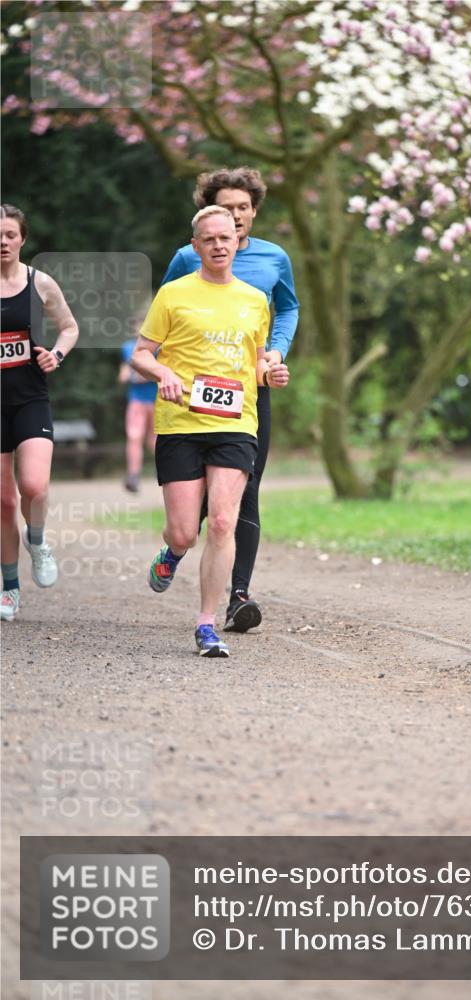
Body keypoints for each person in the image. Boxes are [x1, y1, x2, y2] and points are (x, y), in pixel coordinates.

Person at [131, 205, 289, 657]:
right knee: (184, 532)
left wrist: (271, 374)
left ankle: (206, 625)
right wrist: (163, 373)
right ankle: (173, 554)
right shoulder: (174, 294)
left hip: (236, 423)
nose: (219, 245)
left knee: (222, 521)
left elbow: (256, 364)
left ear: (238, 242)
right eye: (210, 239)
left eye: (227, 237)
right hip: (181, 423)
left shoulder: (256, 301)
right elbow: (141, 354)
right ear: (195, 246)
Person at [162, 166, 298, 634]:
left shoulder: (274, 258)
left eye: (244, 208)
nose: (236, 218)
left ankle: (238, 595)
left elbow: (288, 307)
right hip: (192, 396)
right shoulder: (186, 259)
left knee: (245, 492)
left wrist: (275, 352)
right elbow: (167, 315)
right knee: (197, 497)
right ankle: (178, 546)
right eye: (227, 208)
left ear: (255, 211)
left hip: (248, 390)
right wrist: (166, 372)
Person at [0, 204, 79, 621]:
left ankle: (38, 540)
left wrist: (57, 355)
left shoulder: (40, 281)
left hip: (31, 397)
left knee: (34, 487)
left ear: (22, 239)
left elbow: (69, 327)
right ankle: (10, 588)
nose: (2, 241)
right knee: (4, 502)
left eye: (9, 234)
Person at [118, 333, 157, 492]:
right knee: (134, 437)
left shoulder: (160, 347)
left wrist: (146, 374)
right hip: (137, 400)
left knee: (154, 440)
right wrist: (129, 375)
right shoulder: (128, 347)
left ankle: (162, 469)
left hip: (157, 400)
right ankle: (133, 476)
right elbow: (124, 374)